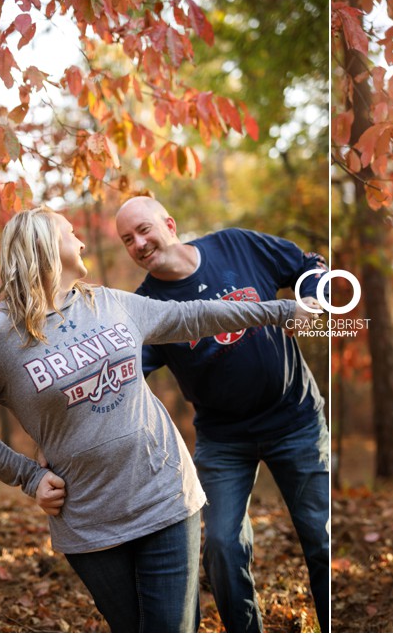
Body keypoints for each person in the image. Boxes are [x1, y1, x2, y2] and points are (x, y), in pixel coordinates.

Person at [0, 206, 315, 633]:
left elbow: (196, 316)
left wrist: (279, 311)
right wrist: (27, 476)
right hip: (88, 518)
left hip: (164, 493)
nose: (81, 242)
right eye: (71, 234)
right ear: (45, 248)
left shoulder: (111, 303)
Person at [112, 195, 329, 633]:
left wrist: (312, 301)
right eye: (127, 240)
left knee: (321, 538)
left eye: (144, 229)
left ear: (168, 223)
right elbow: (121, 373)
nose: (138, 243)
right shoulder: (146, 310)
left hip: (296, 420)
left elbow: (310, 265)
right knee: (223, 549)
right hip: (224, 440)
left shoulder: (235, 246)